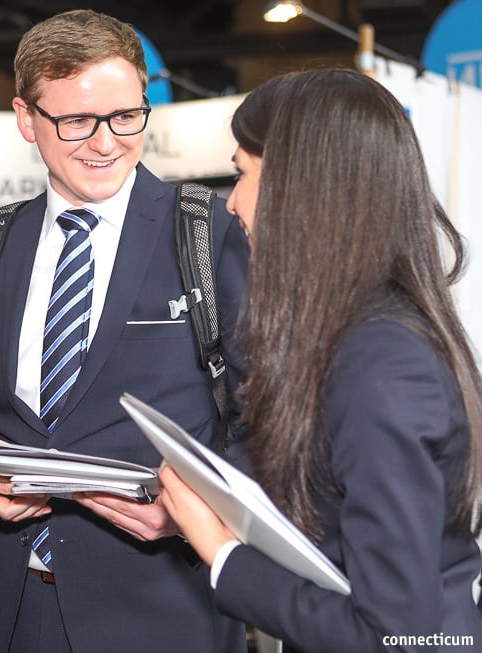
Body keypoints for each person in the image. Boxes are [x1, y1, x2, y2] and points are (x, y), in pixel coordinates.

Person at [0, 9, 249, 652]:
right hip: (9, 609)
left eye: (126, 116)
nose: (105, 142)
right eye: (76, 121)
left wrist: (193, 513)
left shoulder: (210, 233)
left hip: (166, 611)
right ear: (25, 119)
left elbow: (270, 425)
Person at [158, 69, 482, 651]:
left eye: (242, 173)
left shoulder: (381, 362)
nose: (231, 204)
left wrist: (223, 554)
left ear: (297, 184)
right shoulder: (353, 340)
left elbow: (392, 635)